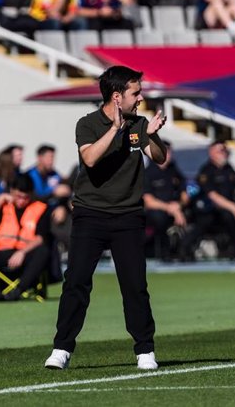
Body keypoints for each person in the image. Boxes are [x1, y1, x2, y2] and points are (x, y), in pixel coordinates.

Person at [44, 65, 168, 371]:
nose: (140, 98)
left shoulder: (139, 124)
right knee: (76, 282)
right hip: (90, 216)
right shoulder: (87, 124)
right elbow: (89, 158)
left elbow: (159, 157)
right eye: (135, 92)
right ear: (116, 96)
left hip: (128, 216)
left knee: (134, 284)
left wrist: (150, 136)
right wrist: (115, 129)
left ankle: (145, 350)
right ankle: (61, 349)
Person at [0, 174, 51, 301]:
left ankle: (18, 290)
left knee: (43, 251)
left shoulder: (41, 208)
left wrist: (22, 253)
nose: (22, 201)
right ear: (12, 191)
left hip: (25, 255)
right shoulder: (5, 206)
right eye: (18, 196)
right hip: (2, 254)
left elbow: (40, 238)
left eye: (25, 197)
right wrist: (1, 197)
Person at [180, 141, 235, 262]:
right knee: (206, 221)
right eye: (220, 151)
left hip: (228, 208)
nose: (223, 154)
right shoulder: (206, 171)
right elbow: (212, 195)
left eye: (224, 151)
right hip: (209, 209)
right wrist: (233, 207)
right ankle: (184, 250)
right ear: (211, 153)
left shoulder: (229, 169)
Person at [143, 139, 188, 263]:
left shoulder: (174, 170)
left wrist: (178, 206)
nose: (168, 155)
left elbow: (185, 196)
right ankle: (164, 253)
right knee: (159, 218)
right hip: (156, 210)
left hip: (175, 209)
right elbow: (149, 201)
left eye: (169, 152)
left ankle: (184, 251)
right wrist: (171, 209)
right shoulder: (148, 173)